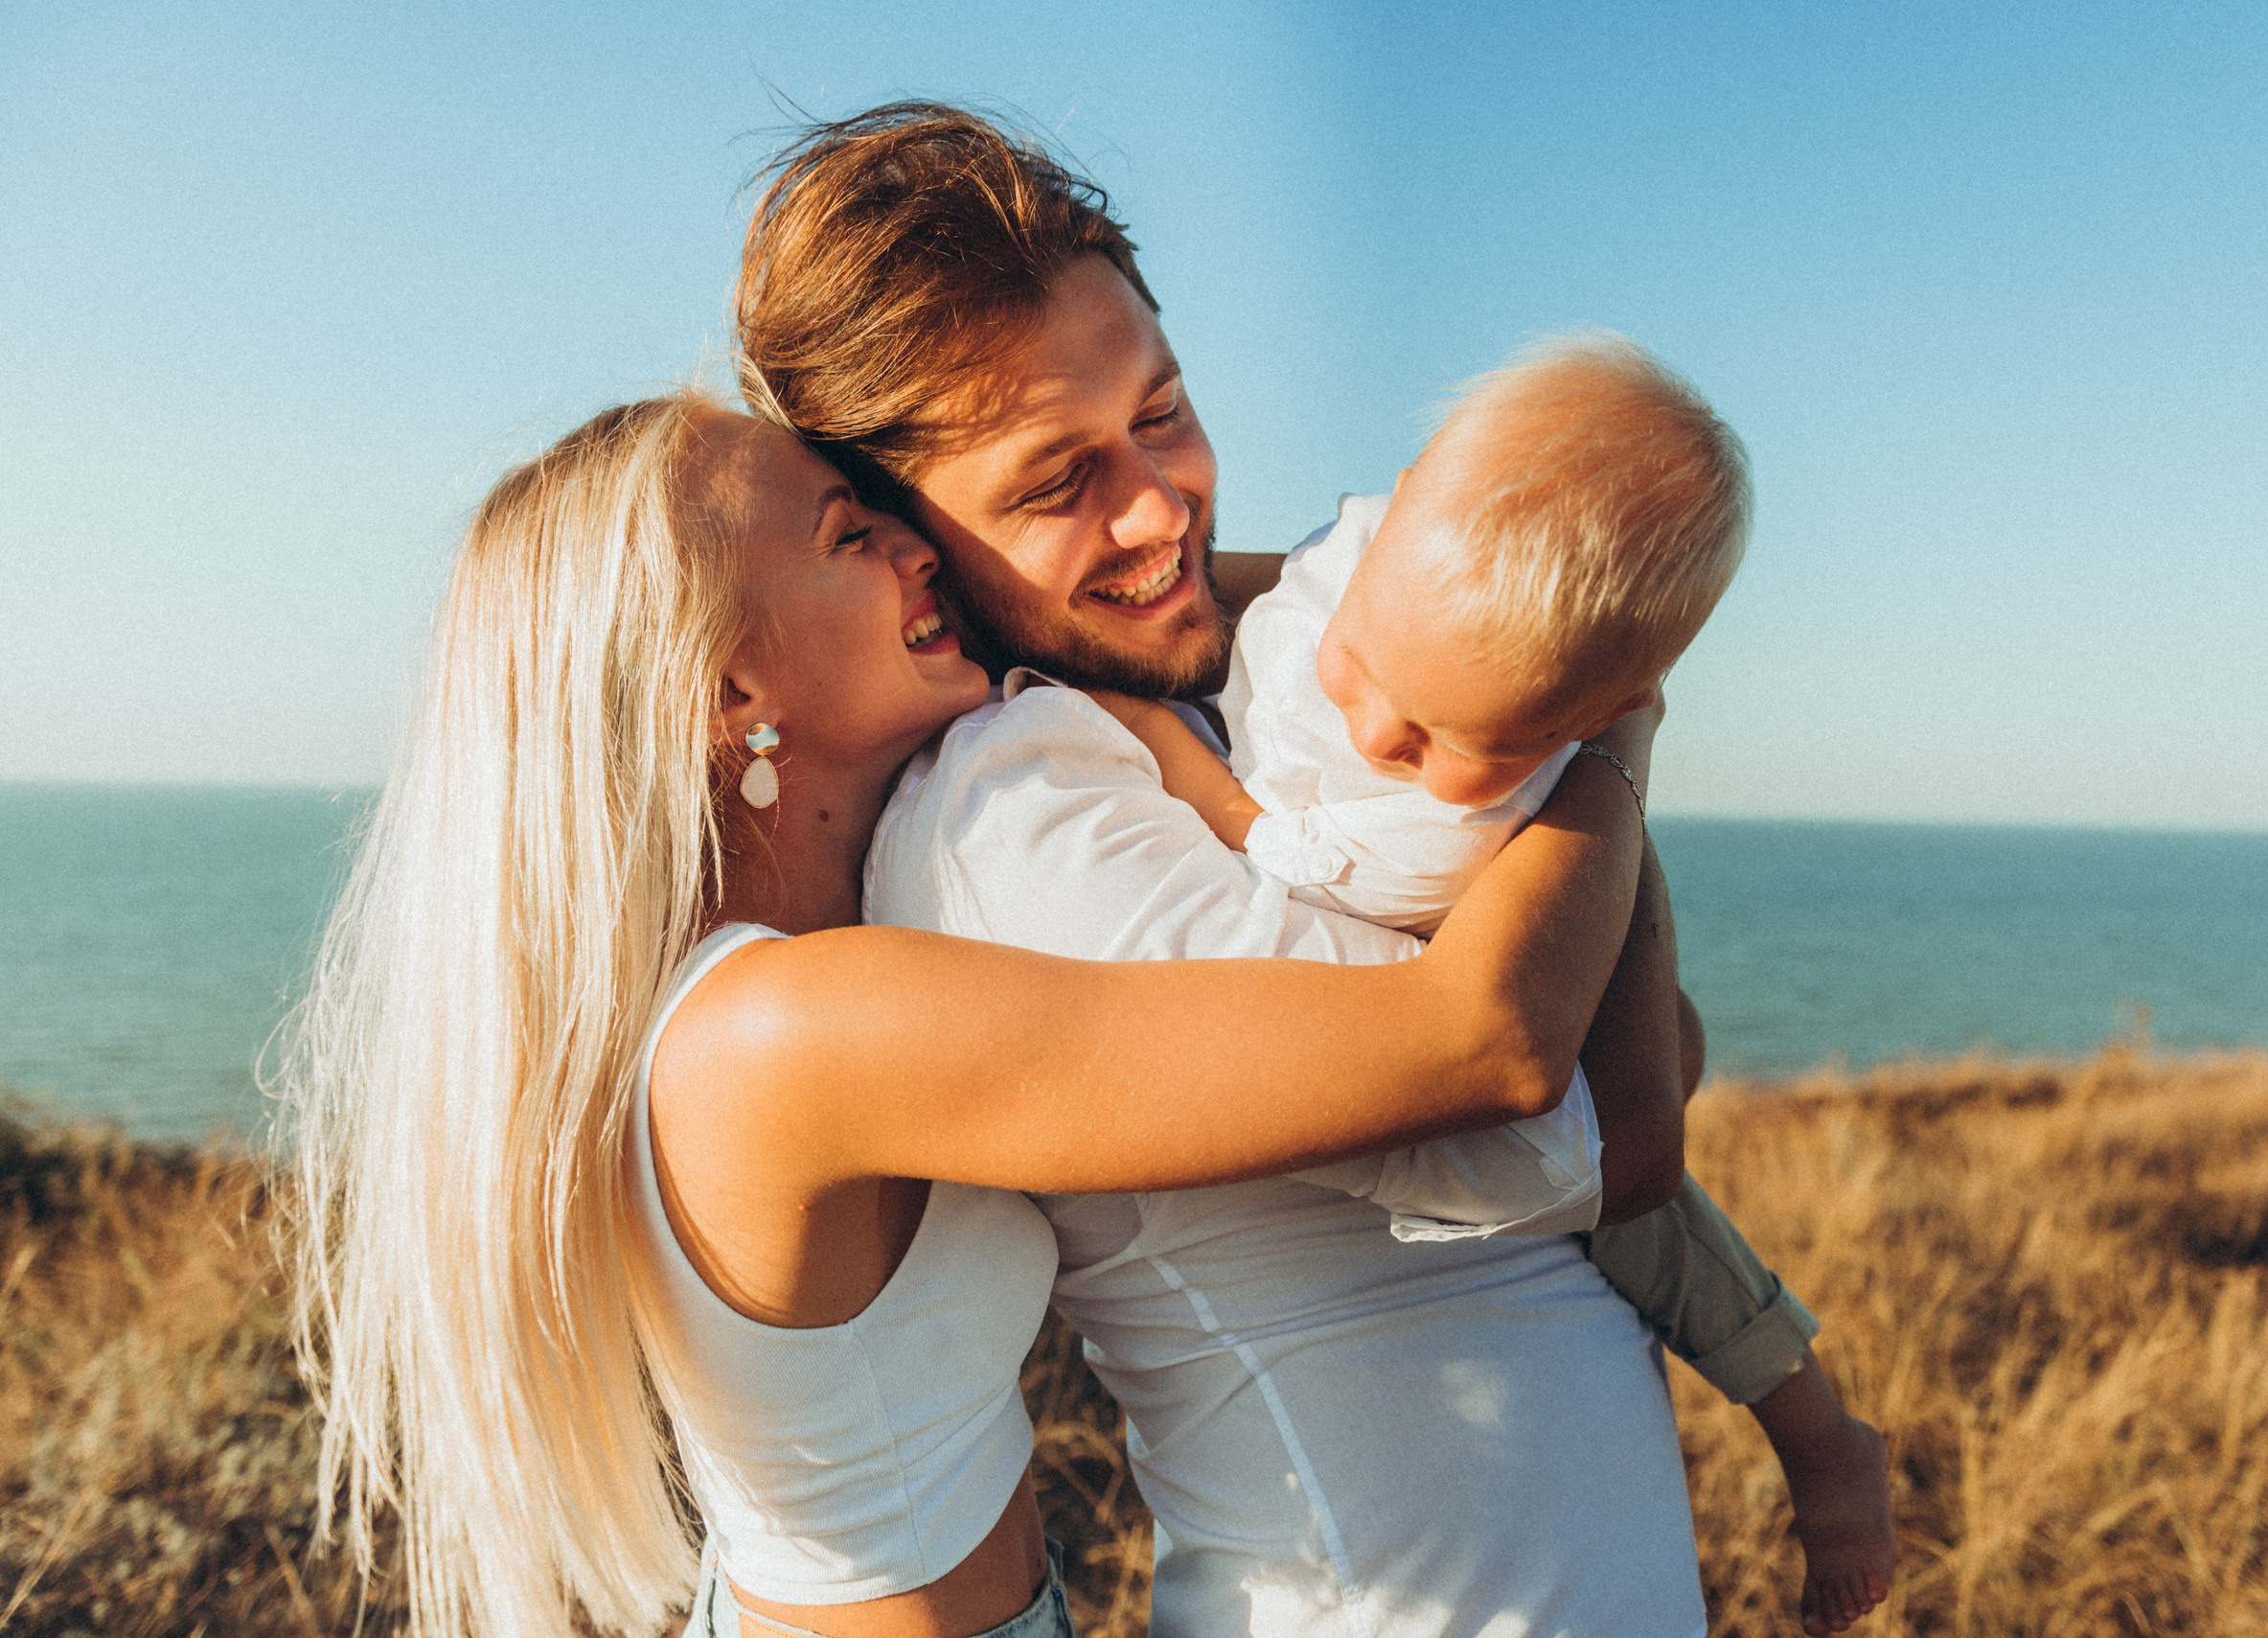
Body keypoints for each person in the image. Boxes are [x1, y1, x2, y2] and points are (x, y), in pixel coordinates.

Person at [276, 394, 1662, 1638]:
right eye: (850, 536)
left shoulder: (782, 978)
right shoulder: (793, 1027)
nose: (917, 549)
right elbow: (1486, 1045)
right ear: (730, 690)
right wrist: (1597, 704)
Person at [739, 103, 1721, 1638]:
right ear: (908, 537)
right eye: (1056, 483)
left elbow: (1662, 1038)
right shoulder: (1011, 806)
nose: (1160, 506)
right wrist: (1612, 716)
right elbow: (1596, 1128)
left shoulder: (1227, 695)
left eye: (1166, 411)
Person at [1091, 333, 1896, 1633]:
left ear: (1595, 713)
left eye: (1444, 738)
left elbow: (1267, 842)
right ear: (1401, 500)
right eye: (1362, 664)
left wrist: (1147, 733)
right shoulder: (1374, 552)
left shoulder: (1452, 824)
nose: (1377, 735)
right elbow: (1279, 580)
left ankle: (1818, 1434)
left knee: (1658, 1230)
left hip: (1539, 1048)